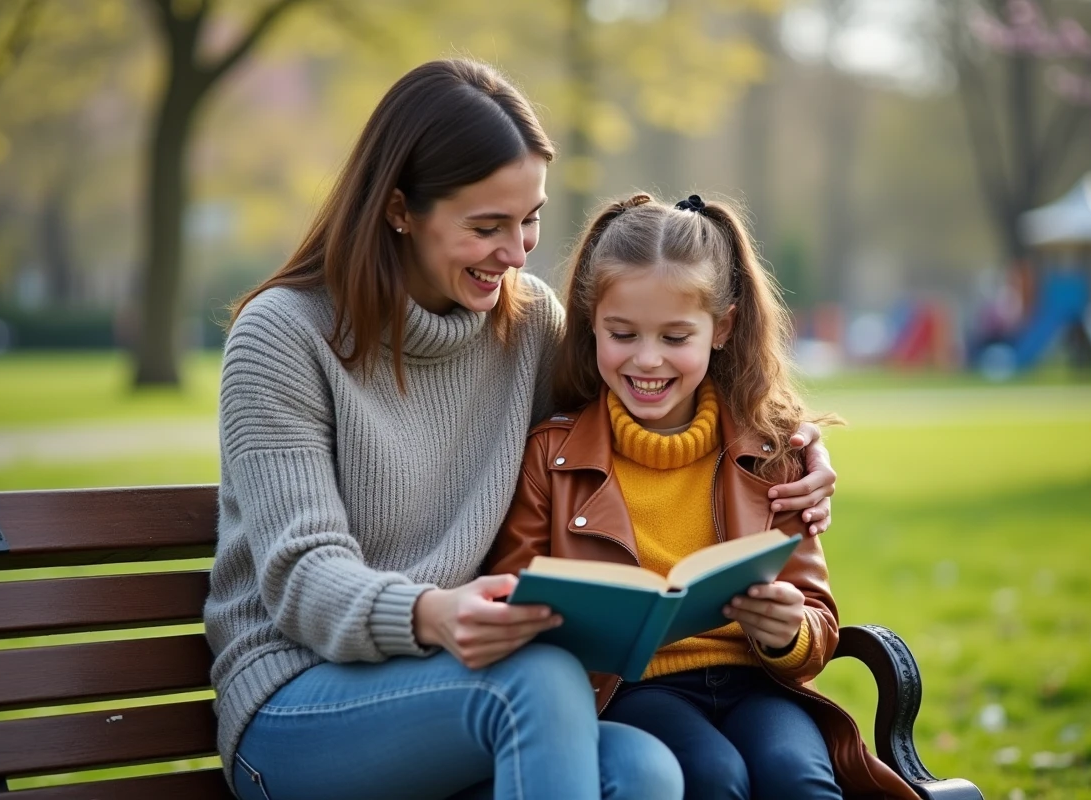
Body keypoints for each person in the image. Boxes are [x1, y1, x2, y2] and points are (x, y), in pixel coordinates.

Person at [206, 59, 837, 800]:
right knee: (537, 680)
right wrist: (431, 613)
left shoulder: (526, 320)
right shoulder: (282, 336)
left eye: (530, 219)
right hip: (301, 705)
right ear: (401, 209)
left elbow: (646, 385)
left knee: (646, 772)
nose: (516, 252)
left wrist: (795, 452)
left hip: (466, 688)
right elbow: (301, 577)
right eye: (486, 226)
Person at [486, 193, 919, 800]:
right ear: (591, 323)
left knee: (799, 778)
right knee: (714, 777)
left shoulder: (771, 455)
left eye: (675, 336)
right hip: (631, 691)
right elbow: (512, 600)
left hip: (758, 685)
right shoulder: (550, 458)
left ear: (723, 328)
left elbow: (818, 626)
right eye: (623, 333)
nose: (647, 359)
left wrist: (786, 631)